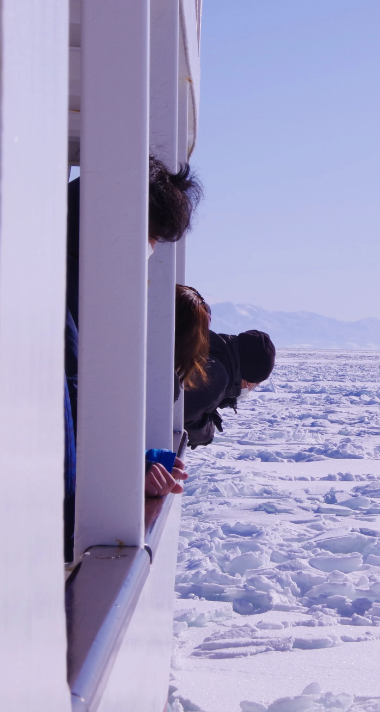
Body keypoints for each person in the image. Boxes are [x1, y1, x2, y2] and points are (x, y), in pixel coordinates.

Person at [64, 157, 202, 560]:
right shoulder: (61, 290)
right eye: (152, 237)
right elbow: (60, 417)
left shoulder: (78, 284)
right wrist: (118, 477)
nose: (150, 251)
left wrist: (131, 462)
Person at [184, 330, 276, 448]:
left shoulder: (209, 349)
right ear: (248, 380)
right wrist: (206, 432)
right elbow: (186, 417)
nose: (250, 389)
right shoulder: (216, 374)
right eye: (254, 385)